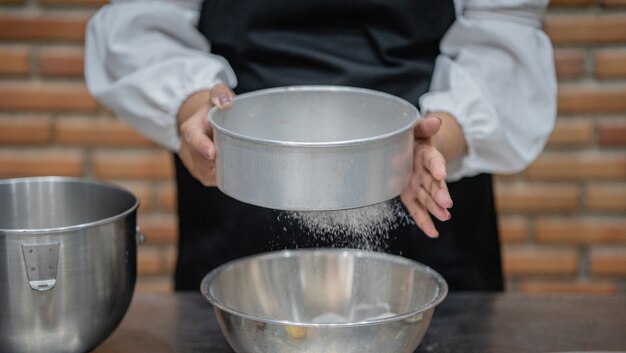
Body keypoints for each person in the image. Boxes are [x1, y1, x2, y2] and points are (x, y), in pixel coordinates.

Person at [84, 0, 556, 291]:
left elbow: (504, 29)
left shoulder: (425, 152)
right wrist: (194, 108)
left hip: (418, 174)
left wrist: (437, 139)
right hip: (243, 174)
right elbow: (142, 25)